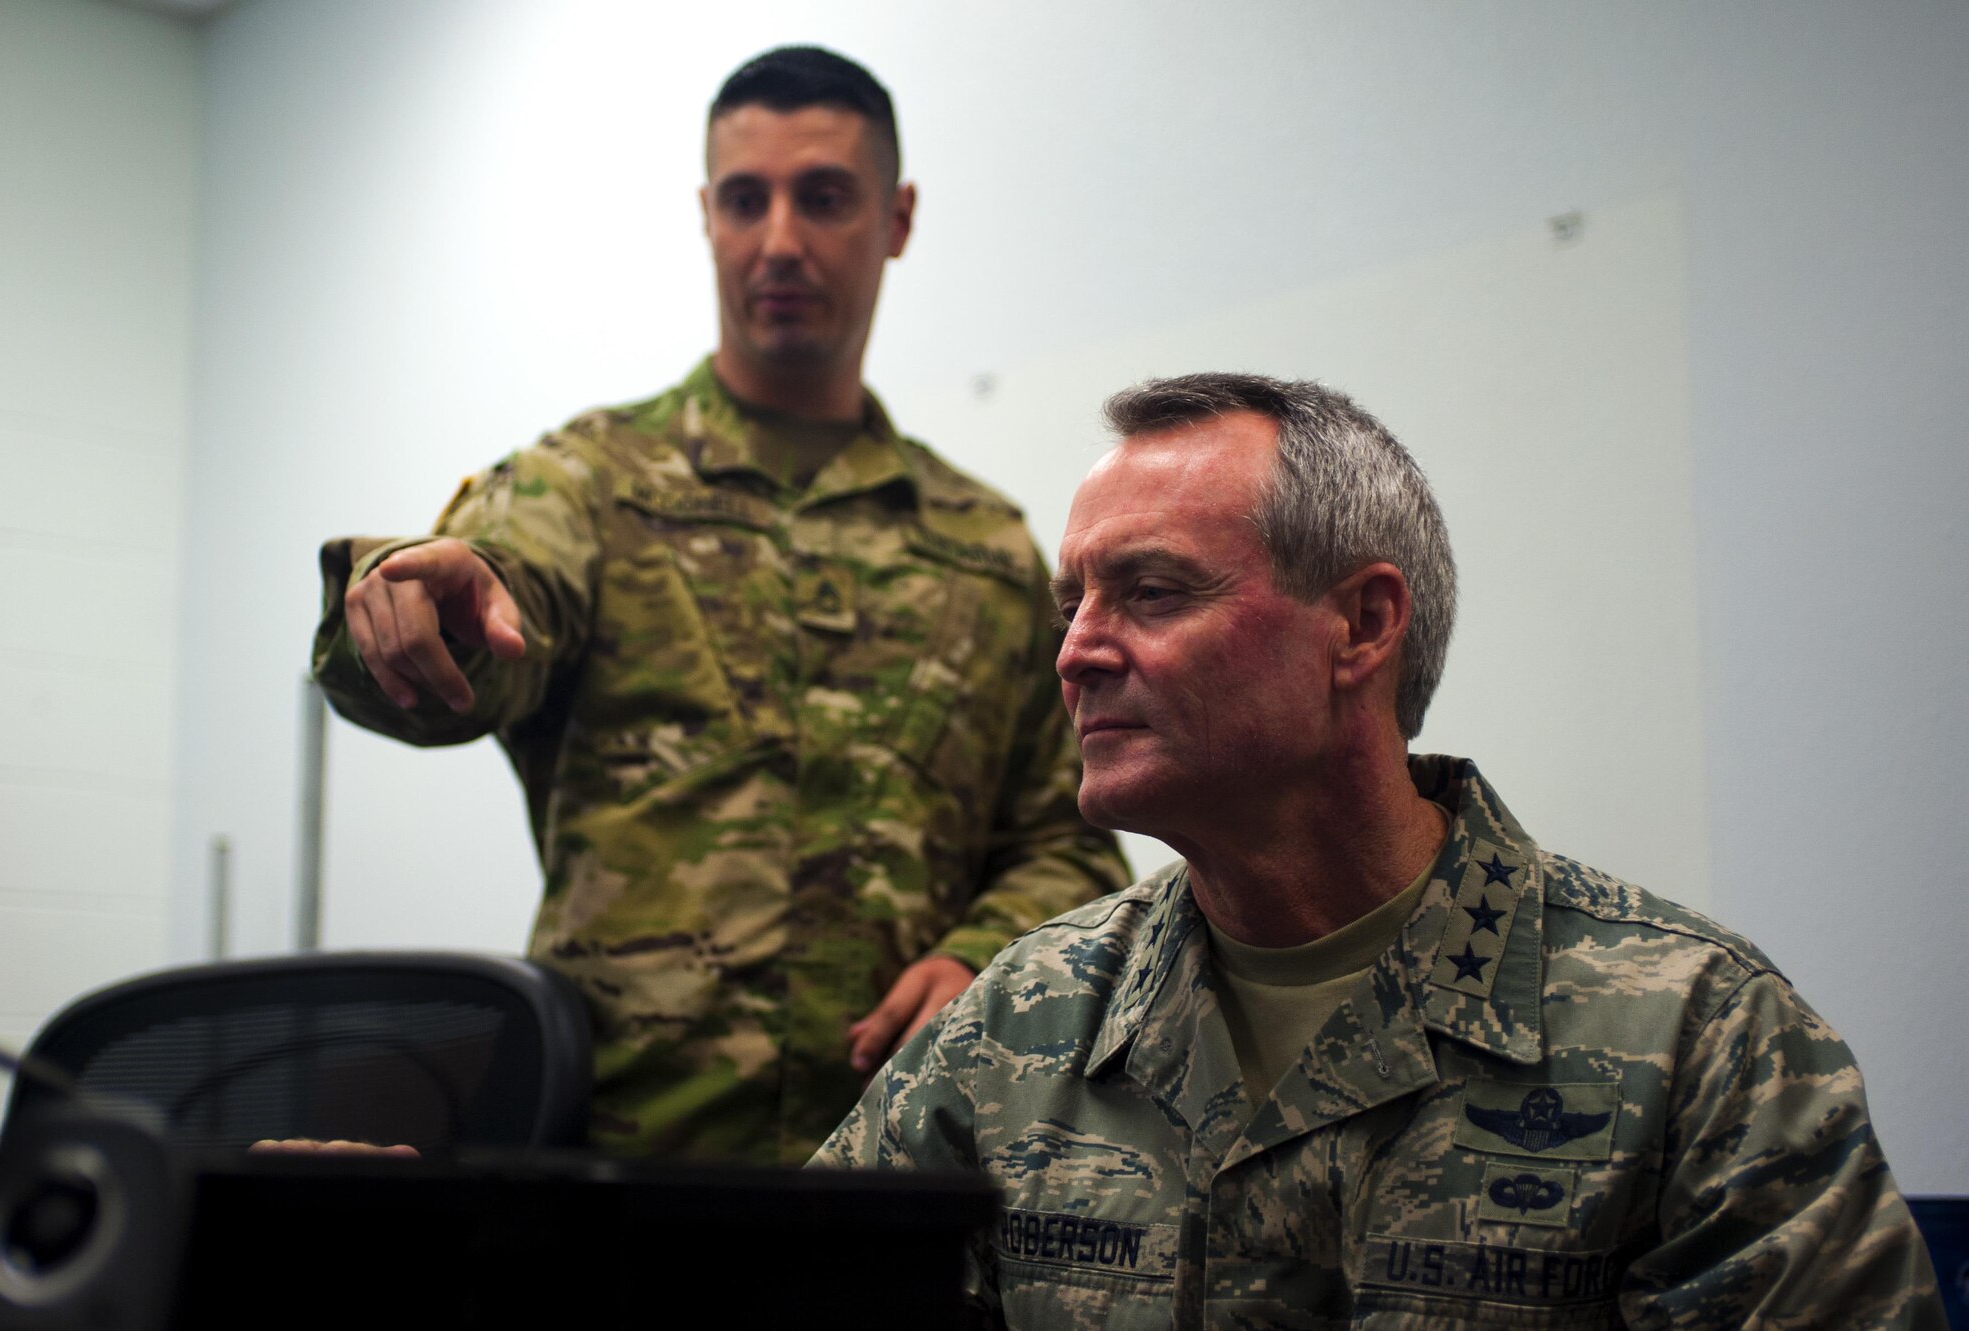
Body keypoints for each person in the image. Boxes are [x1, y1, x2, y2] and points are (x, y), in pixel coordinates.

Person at [816, 373, 1943, 1327]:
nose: (1074, 653)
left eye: (1149, 592)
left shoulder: (1695, 1033)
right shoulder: (1022, 1020)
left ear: (1359, 624)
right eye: (1072, 604)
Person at [309, 47, 1126, 1166]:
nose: (779, 240)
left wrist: (979, 955)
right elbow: (493, 613)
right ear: (706, 216)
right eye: (745, 199)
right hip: (615, 1179)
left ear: (895, 218)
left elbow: (1064, 839)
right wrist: (421, 601)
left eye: (824, 197)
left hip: (899, 1177)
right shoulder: (590, 481)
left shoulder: (985, 548)